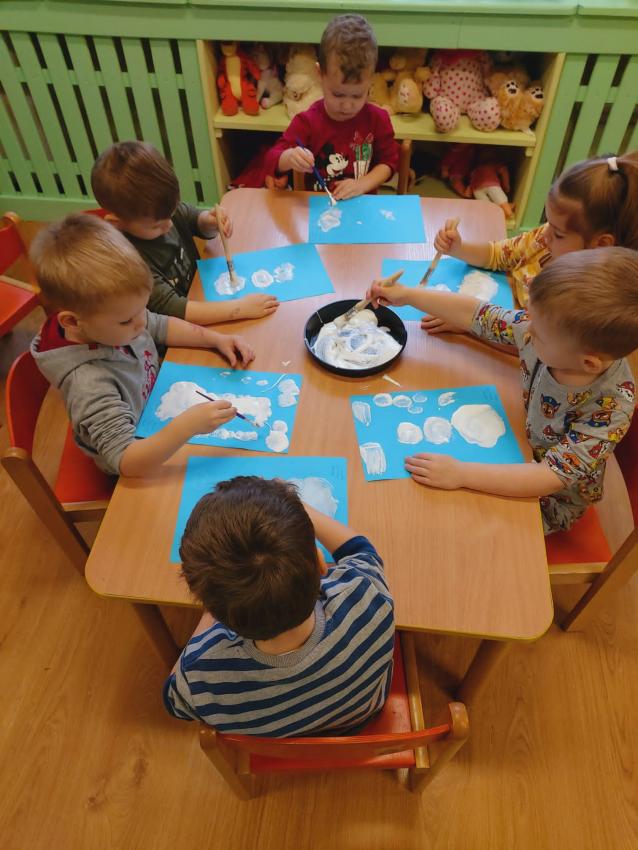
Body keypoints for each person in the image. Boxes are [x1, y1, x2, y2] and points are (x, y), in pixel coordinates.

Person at [367, 247, 638, 534]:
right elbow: (479, 314)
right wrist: (407, 295)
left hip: (549, 499)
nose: (526, 331)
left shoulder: (610, 408)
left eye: (538, 334)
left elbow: (549, 477)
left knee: (448, 528)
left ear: (588, 363)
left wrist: (461, 474)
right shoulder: (553, 333)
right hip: (520, 443)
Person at [163, 476, 395, 735]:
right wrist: (294, 504)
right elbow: (360, 549)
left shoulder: (201, 676)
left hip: (275, 743)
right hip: (357, 719)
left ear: (209, 607)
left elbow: (173, 699)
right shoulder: (368, 596)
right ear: (321, 564)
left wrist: (212, 604)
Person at [30, 214, 255, 478]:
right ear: (72, 321)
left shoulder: (114, 321)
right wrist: (186, 427)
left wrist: (216, 340)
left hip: (154, 409)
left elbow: (159, 325)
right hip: (139, 459)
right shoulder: (89, 385)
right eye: (127, 320)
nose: (141, 322)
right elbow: (127, 461)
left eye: (143, 309)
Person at [423, 151, 638, 332]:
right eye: (548, 222)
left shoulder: (584, 295)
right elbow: (498, 254)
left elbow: (534, 339)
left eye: (558, 233)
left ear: (601, 245)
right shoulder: (544, 240)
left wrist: (469, 325)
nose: (545, 235)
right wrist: (459, 248)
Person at [91, 141, 279, 324]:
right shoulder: (131, 265)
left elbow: (193, 219)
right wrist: (240, 309)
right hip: (181, 328)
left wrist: (210, 221)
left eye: (171, 214)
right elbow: (176, 310)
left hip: (201, 291)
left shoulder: (160, 211)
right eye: (156, 226)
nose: (169, 225)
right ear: (117, 223)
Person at [265, 14, 400, 200]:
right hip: (319, 209)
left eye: (358, 95)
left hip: (362, 207)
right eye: (337, 94)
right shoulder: (308, 122)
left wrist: (362, 184)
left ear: (371, 79)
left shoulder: (377, 119)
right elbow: (271, 159)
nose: (347, 105)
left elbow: (390, 162)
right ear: (319, 74)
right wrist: (289, 158)